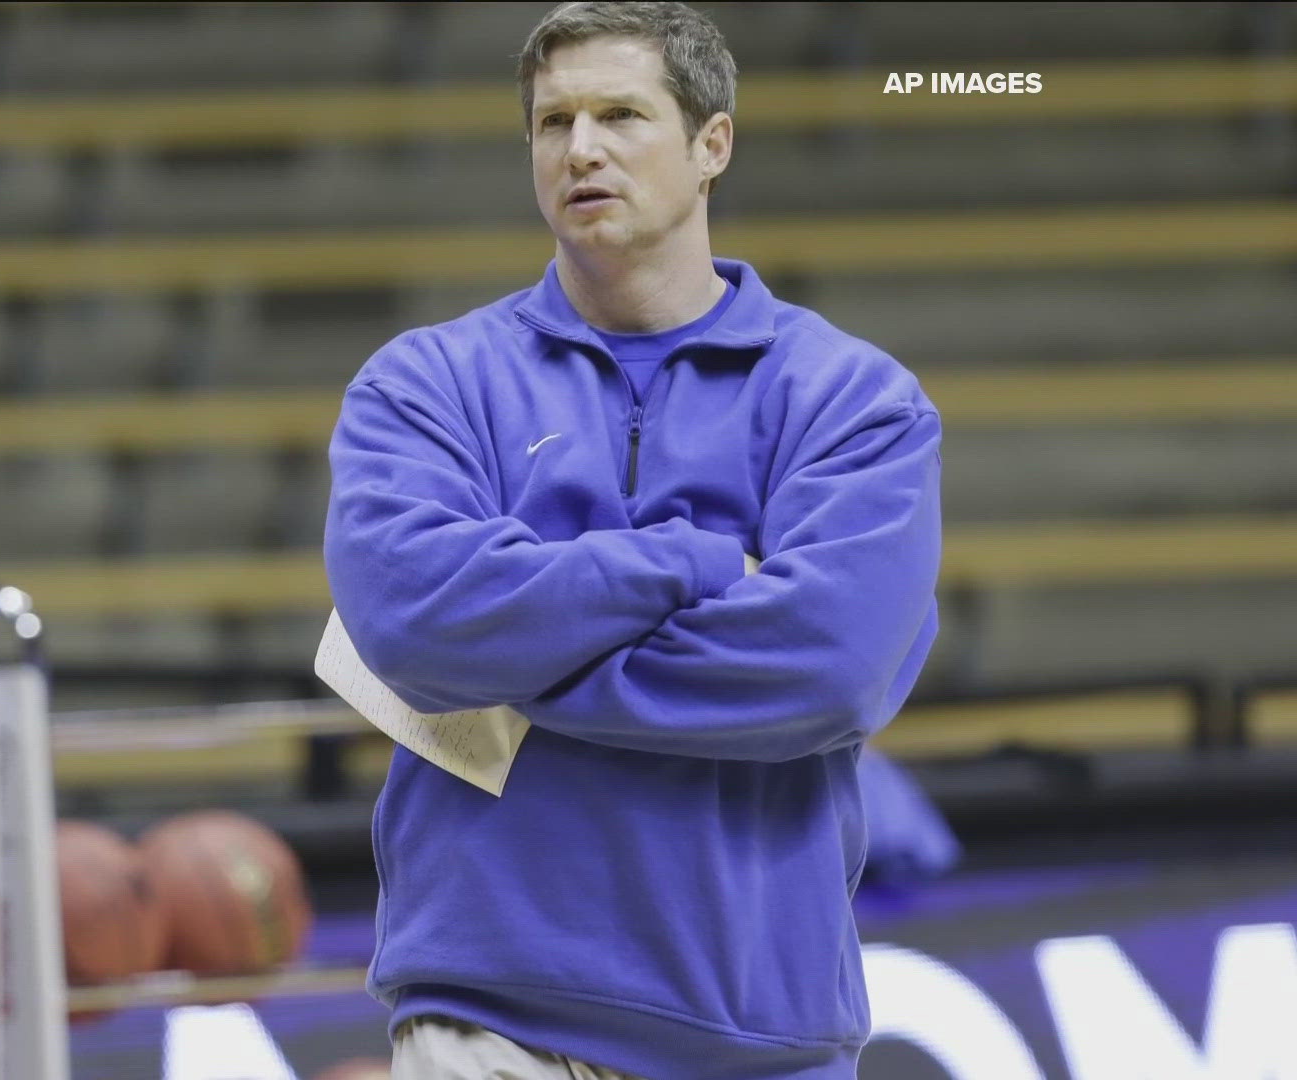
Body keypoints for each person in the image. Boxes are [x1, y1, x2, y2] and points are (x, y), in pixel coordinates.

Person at [322, 3, 943, 1077]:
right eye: (553, 122)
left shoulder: (853, 401)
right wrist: (696, 563)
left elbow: (830, 670)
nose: (582, 148)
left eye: (620, 114)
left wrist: (521, 662)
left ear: (713, 144)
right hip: (488, 1022)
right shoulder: (422, 385)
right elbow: (411, 626)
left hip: (767, 1038)